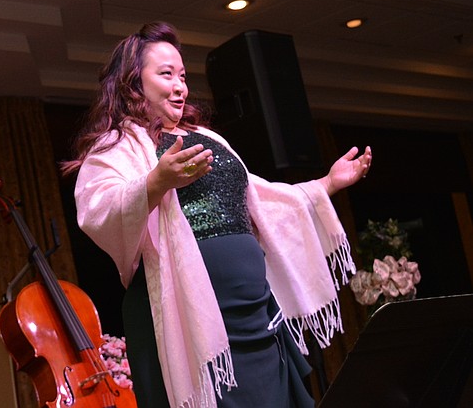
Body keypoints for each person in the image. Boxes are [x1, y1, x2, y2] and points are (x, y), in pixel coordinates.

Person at [64, 22, 371, 408]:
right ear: (132, 83)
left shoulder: (210, 139)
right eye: (165, 74)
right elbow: (98, 209)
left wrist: (328, 182)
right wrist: (155, 182)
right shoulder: (117, 146)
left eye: (182, 75)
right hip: (191, 323)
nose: (180, 85)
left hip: (253, 315)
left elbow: (264, 199)